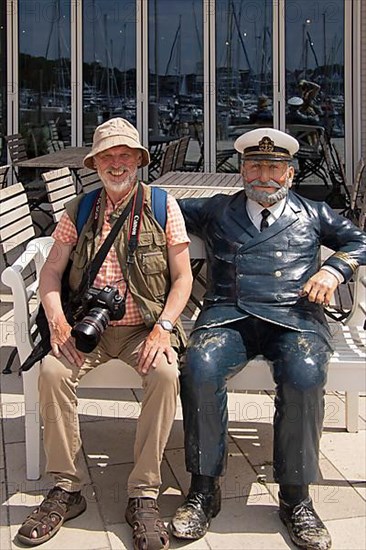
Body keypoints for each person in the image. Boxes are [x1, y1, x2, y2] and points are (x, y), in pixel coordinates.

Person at [170, 128, 366, 550]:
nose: (264, 175)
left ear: (291, 174)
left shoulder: (313, 212)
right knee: (199, 367)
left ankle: (296, 498)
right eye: (255, 166)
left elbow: (359, 239)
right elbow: (161, 209)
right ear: (241, 170)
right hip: (229, 315)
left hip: (295, 320)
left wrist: (333, 270)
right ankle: (203, 491)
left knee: (305, 374)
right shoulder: (217, 210)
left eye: (274, 167)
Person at [17, 117, 193, 549]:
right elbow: (53, 272)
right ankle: (66, 487)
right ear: (95, 164)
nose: (117, 164)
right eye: (108, 156)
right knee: (53, 374)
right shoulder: (79, 208)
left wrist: (164, 329)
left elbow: (184, 277)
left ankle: (144, 492)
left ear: (138, 160)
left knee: (167, 376)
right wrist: (58, 322)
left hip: (143, 330)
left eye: (125, 155)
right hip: (86, 329)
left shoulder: (161, 205)